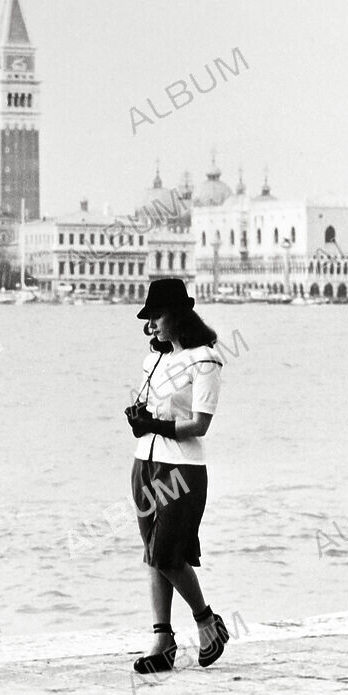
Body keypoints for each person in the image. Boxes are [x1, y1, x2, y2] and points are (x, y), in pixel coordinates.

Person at [123, 278, 230, 673]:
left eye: (157, 316)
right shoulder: (154, 361)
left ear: (178, 315)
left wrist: (158, 425)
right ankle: (163, 639)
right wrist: (140, 423)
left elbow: (200, 424)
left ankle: (206, 622)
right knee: (154, 554)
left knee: (168, 553)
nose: (151, 325)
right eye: (149, 318)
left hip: (182, 467)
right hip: (145, 462)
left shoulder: (205, 360)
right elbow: (150, 415)